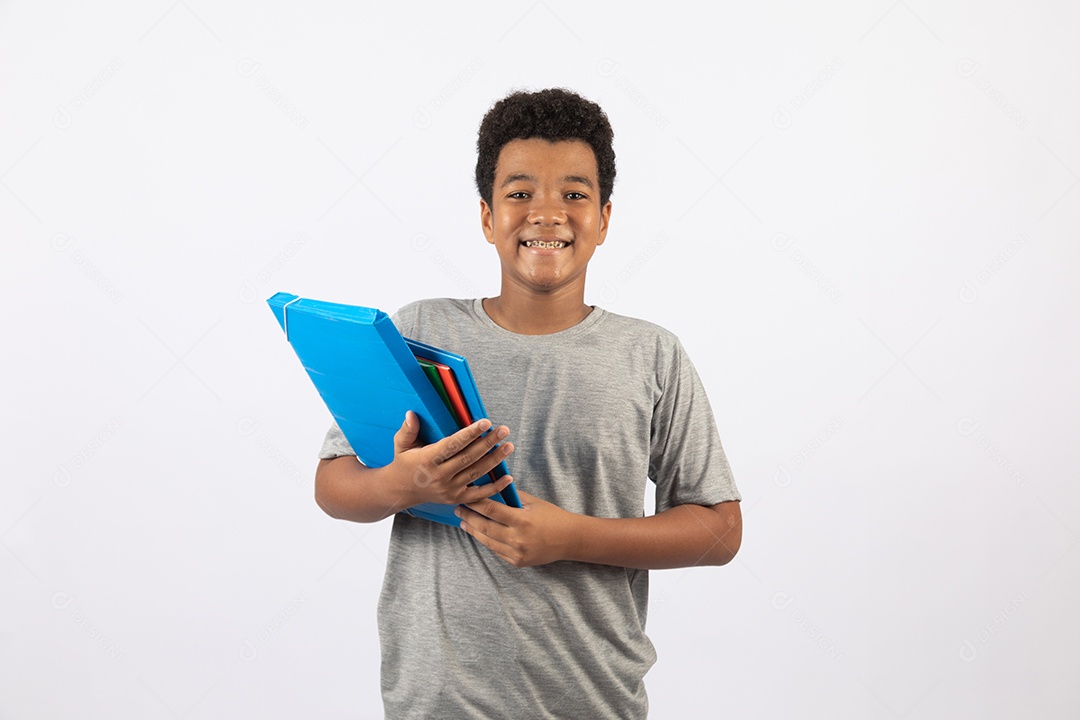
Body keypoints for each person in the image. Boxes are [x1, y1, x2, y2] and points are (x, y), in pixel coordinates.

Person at [314, 87, 742, 719]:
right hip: (435, 704)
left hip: (590, 701)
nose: (547, 214)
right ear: (487, 217)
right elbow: (333, 485)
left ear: (603, 217)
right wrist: (402, 485)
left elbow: (719, 530)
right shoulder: (418, 333)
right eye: (519, 194)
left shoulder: (651, 354)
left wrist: (570, 536)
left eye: (574, 194)